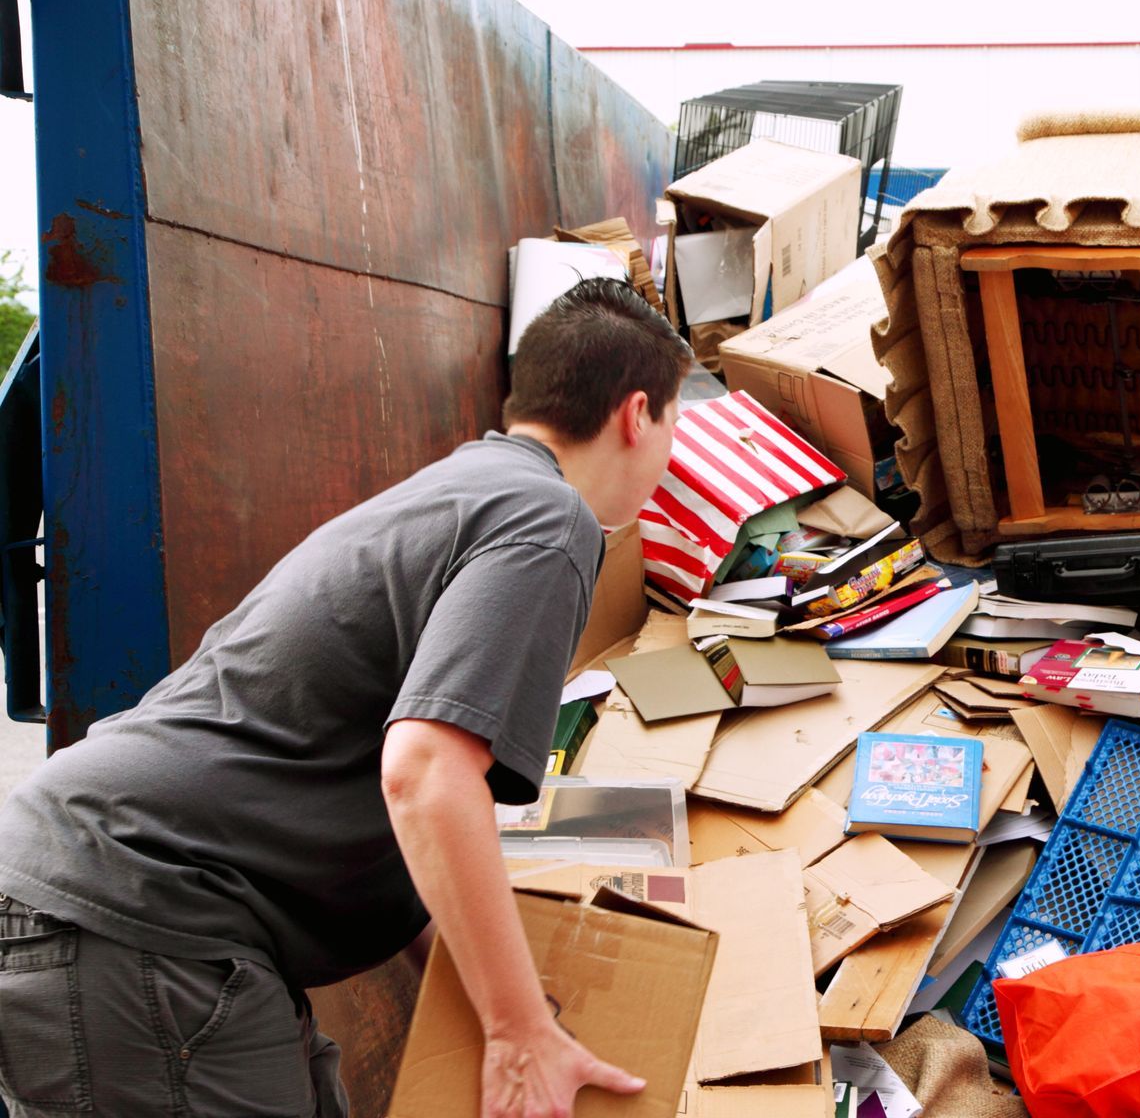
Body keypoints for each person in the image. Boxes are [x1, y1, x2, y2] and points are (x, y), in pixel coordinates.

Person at [0, 277, 690, 1117]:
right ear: (637, 413)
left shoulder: (468, 487)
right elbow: (426, 774)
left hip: (122, 903)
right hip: (136, 913)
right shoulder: (547, 521)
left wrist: (495, 993)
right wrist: (518, 1032)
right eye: (675, 425)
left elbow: (396, 809)